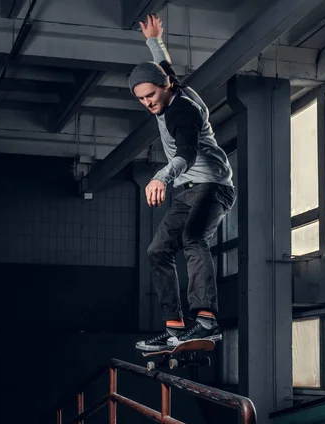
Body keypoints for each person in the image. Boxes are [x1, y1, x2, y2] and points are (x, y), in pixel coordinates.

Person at [129, 14, 236, 352]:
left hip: (214, 185)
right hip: (189, 189)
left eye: (151, 95)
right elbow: (164, 66)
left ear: (166, 88)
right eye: (142, 99)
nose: (148, 103)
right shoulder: (168, 84)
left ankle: (206, 323)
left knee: (192, 239)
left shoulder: (183, 111)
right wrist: (154, 39)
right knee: (157, 250)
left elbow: (187, 153)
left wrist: (161, 175)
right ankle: (175, 327)